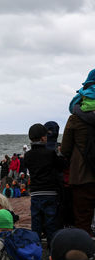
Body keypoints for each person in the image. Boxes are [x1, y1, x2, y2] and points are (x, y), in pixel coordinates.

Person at [61, 69, 95, 235]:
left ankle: (86, 257)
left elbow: (65, 149)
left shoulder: (75, 117)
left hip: (82, 177)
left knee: (82, 220)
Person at [25, 123, 65, 246]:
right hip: (50, 193)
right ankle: (52, 251)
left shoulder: (28, 155)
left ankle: (35, 249)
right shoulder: (50, 153)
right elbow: (61, 166)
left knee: (36, 223)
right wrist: (60, 153)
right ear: (43, 138)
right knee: (51, 223)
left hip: (36, 193)